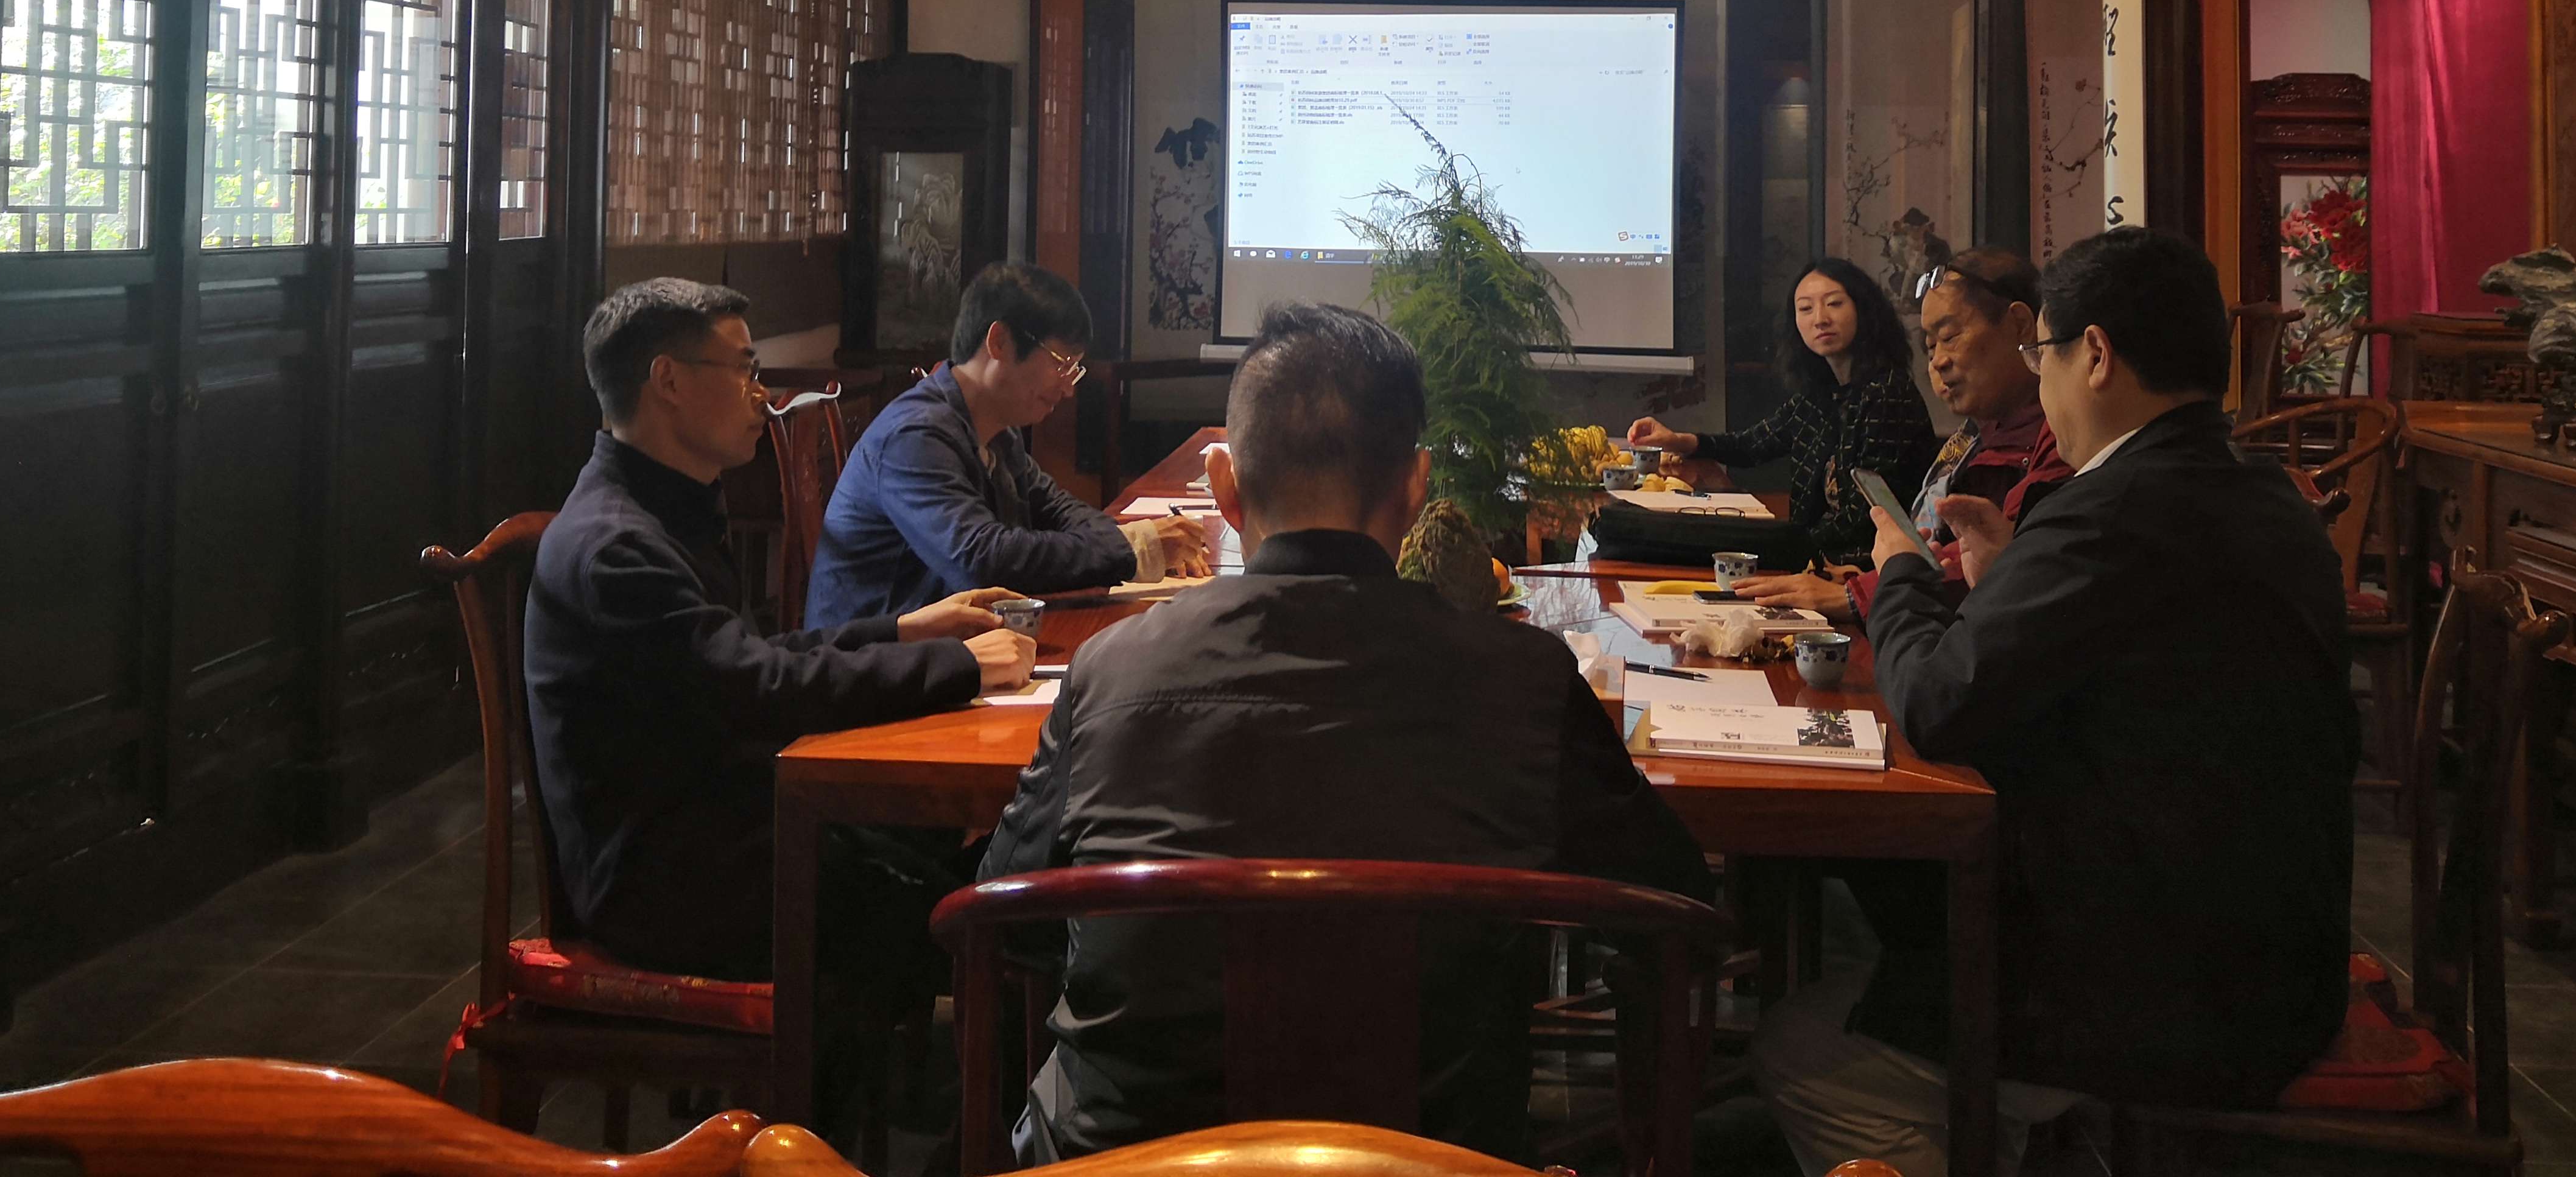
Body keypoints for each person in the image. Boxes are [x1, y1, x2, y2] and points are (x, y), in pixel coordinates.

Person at [981, 301, 1714, 1164]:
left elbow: (1006, 917)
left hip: (1129, 1163)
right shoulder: (1526, 680)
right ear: (1417, 484)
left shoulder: (1109, 670)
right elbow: (1675, 903)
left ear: (1224, 487)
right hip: (1434, 1162)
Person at [1754, 228, 2354, 1177]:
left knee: (1805, 1050)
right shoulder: (2251, 487)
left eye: (2046, 355)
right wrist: (2009, 587)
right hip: (2267, 941)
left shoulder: (2114, 510)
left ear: (2097, 355)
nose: (2042, 382)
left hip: (2173, 991)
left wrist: (1901, 570)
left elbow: (1939, 706)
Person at [524, 279, 1038, 983]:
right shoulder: (615, 545)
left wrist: (904, 631)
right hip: (670, 882)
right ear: (668, 381)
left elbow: (746, 658)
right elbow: (756, 685)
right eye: (744, 371)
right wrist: (962, 665)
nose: (762, 395)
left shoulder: (663, 507)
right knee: (976, 918)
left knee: (975, 871)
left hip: (729, 827)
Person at [808, 262, 1211, 629]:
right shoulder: (915, 435)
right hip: (870, 667)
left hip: (946, 650)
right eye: (1061, 364)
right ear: (999, 342)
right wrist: (1134, 550)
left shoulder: (997, 429)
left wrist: (1146, 544)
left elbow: (1057, 510)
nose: (1069, 388)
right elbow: (980, 560)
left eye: (1075, 369)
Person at [1734, 248, 2072, 626]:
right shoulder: (1976, 432)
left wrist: (1859, 593)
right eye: (1931, 346)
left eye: (1950, 337)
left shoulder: (2060, 439)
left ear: (2022, 326)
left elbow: (1999, 569)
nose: (1938, 361)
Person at [1628, 255, 1938, 564]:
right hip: (1813, 557)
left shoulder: (1887, 393)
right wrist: (1679, 441)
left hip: (1868, 569)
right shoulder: (1820, 394)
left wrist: (1777, 544)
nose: (1820, 319)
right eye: (1806, 309)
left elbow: (1864, 518)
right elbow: (1751, 445)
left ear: (1864, 310)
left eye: (1834, 304)